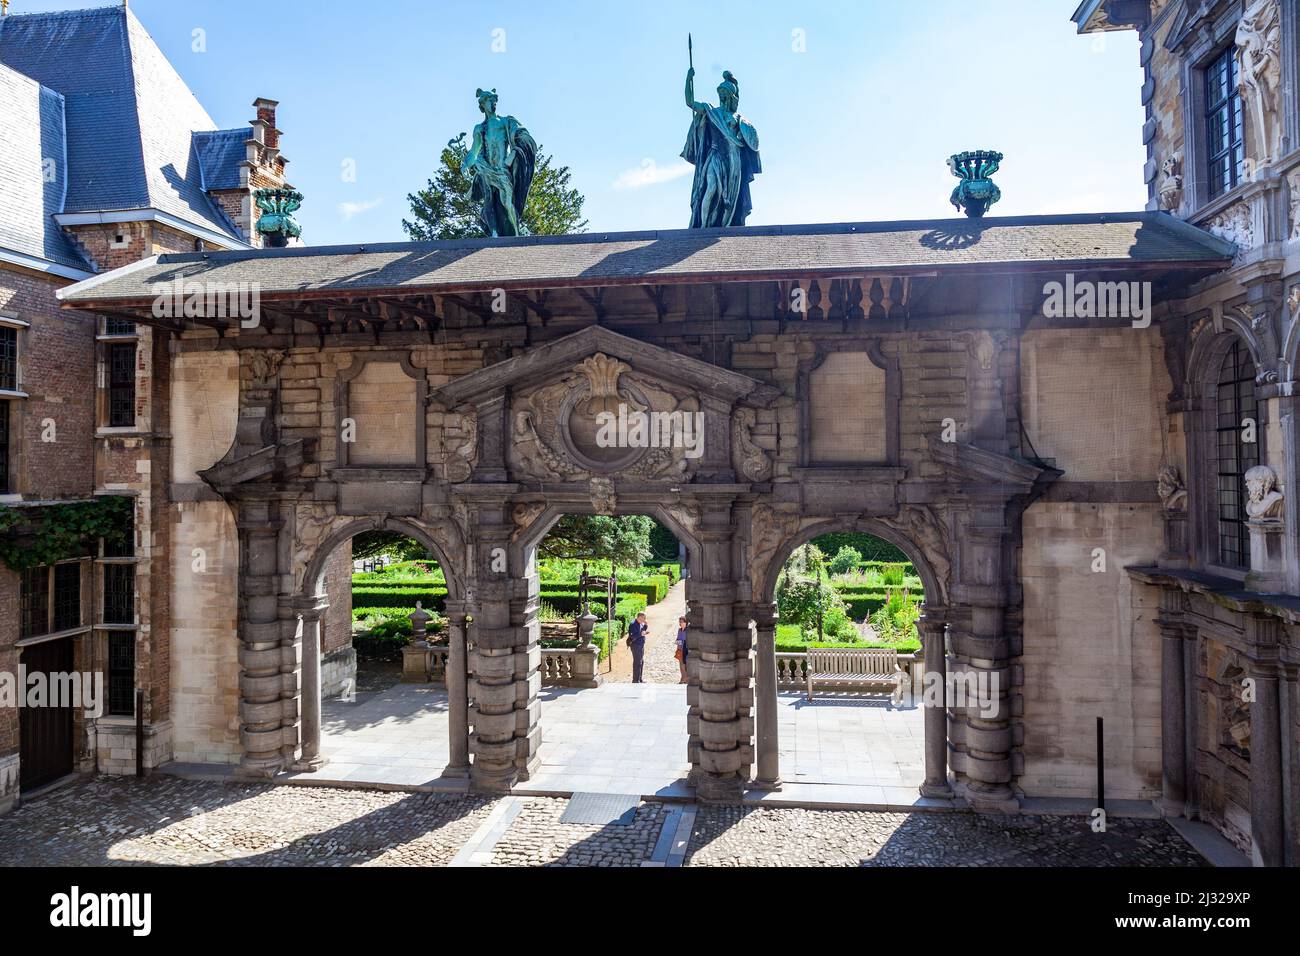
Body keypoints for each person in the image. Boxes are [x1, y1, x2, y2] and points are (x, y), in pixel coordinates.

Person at [628, 611, 648, 684]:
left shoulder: (641, 623)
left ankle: (640, 678)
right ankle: (635, 680)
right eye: (644, 618)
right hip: (636, 645)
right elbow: (633, 636)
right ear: (640, 617)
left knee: (641, 662)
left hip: (641, 645)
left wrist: (645, 626)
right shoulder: (633, 624)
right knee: (637, 662)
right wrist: (641, 633)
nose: (645, 619)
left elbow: (642, 631)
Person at [674, 616, 689, 684]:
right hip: (680, 650)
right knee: (681, 665)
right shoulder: (679, 630)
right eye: (679, 622)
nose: (680, 623)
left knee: (686, 665)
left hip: (686, 649)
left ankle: (686, 679)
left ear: (685, 622)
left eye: (681, 622)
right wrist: (677, 649)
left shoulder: (688, 630)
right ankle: (683, 678)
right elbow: (678, 639)